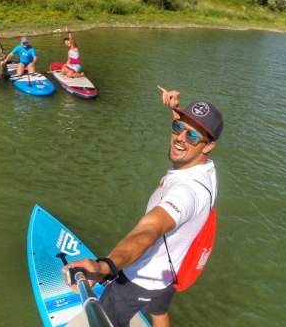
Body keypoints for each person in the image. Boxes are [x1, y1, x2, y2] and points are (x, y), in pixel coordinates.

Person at [63, 86, 224, 327]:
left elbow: (148, 231)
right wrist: (175, 112)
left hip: (139, 279)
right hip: (168, 273)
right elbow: (186, 136)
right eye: (179, 127)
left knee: (107, 316)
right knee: (159, 310)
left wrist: (103, 266)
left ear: (209, 146)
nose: (180, 137)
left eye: (192, 136)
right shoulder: (206, 171)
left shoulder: (186, 191)